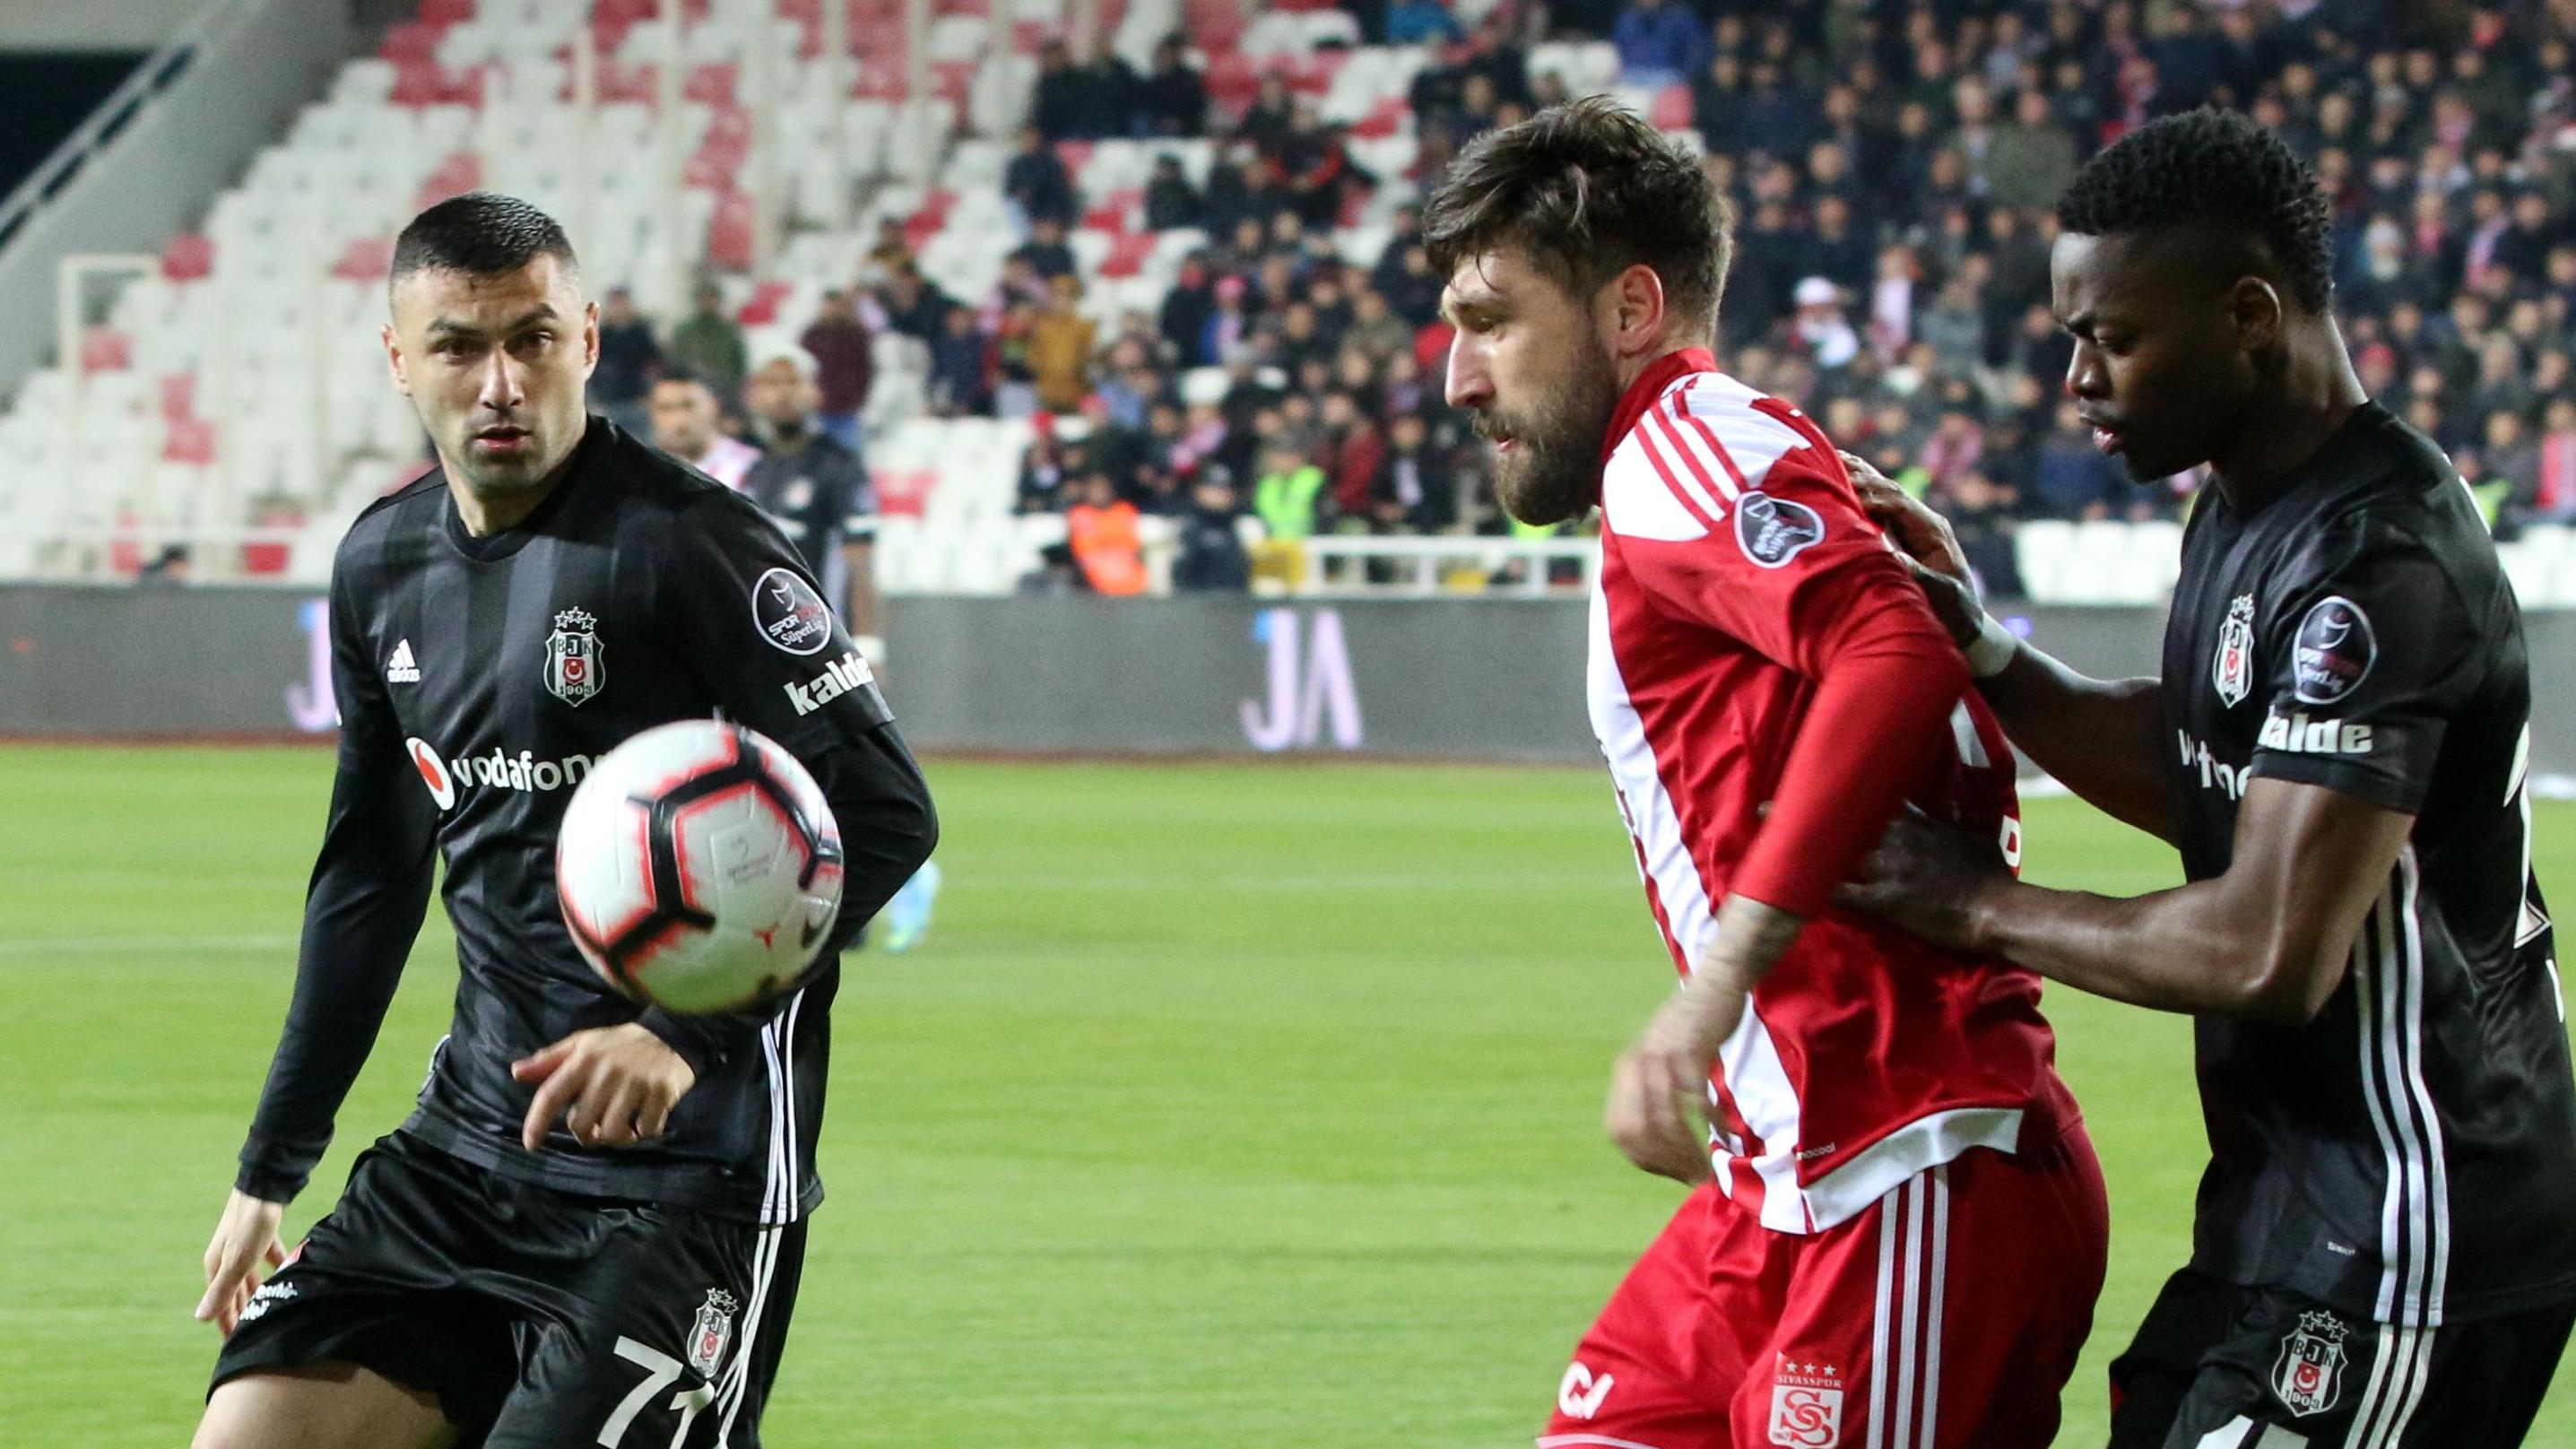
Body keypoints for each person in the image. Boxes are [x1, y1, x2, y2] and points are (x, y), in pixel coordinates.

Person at [1840, 110, 2576, 1448]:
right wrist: (1983, 649)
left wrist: (1977, 910)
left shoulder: (2377, 559)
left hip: (2414, 1221)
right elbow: (2203, 769)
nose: (2077, 379)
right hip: (2289, 1205)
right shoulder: (2243, 502)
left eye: (2110, 338)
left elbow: (2265, 952)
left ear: (2249, 314)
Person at [190, 193, 936, 1449]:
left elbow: (883, 807)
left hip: (681, 1186)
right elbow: (370, 876)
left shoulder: (692, 544)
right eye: (459, 347)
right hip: (458, 1158)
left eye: (532, 340)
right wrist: (272, 1166)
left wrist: (683, 1032)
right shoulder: (381, 566)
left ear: (586, 340)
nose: (500, 383)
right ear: (397, 360)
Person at [1424, 97, 2103, 1448]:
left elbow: (1891, 655)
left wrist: (1712, 986)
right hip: (1784, 1178)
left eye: (1493, 320)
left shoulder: (1683, 443)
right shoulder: (1714, 456)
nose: (1459, 375)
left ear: (1628, 311)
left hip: (1902, 1157)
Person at [646, 369, 760, 492]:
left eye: (688, 406)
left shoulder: (750, 466)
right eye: (666, 409)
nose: (679, 420)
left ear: (713, 406)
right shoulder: (644, 473)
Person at [798, 289, 874, 453]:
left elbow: (865, 368)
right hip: (819, 405)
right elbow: (803, 367)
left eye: (835, 305)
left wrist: (859, 396)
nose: (831, 309)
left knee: (848, 452)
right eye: (828, 305)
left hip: (847, 406)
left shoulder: (855, 334)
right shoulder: (812, 334)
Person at [592, 285, 660, 436]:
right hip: (610, 403)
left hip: (638, 401)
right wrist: (598, 399)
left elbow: (655, 366)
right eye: (615, 303)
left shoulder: (641, 335)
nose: (619, 308)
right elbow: (592, 370)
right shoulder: (601, 336)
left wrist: (649, 395)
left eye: (622, 303)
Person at [665, 282, 747, 407]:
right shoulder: (684, 331)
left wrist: (733, 387)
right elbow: (675, 362)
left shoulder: (729, 331)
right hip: (691, 391)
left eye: (711, 298)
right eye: (703, 298)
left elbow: (738, 364)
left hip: (724, 392)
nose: (707, 302)